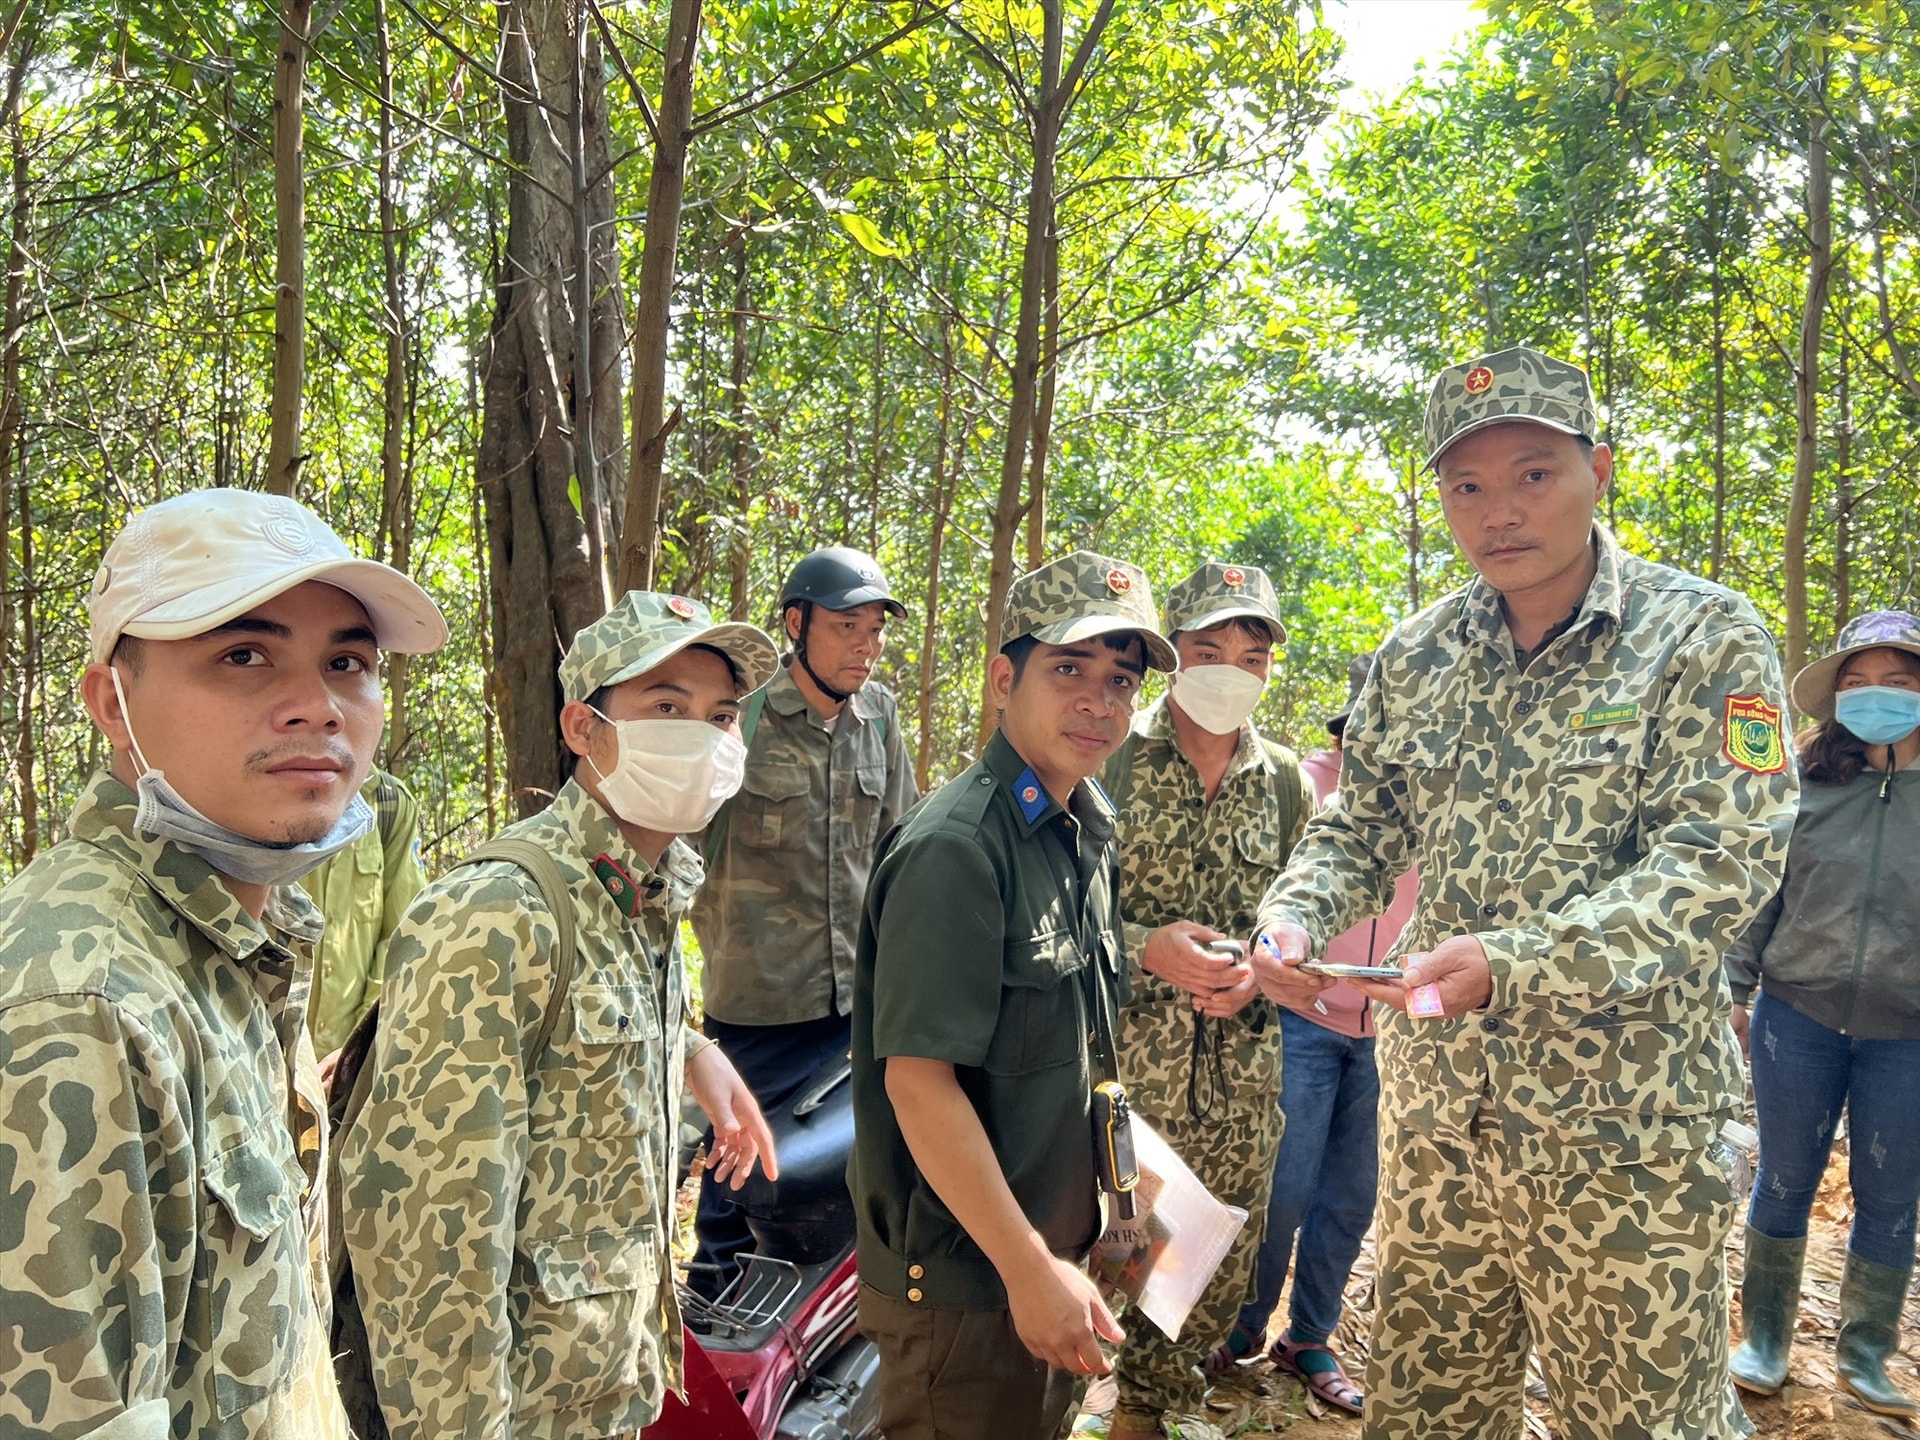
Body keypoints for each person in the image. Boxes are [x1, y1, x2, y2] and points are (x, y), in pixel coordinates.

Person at [1251, 345, 1798, 1440]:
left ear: (1600, 468)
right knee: (1426, 1414)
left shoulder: (1706, 634)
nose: (1499, 510)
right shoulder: (1415, 656)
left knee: (1642, 1421)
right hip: (1442, 1125)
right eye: (1467, 485)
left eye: (1534, 474)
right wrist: (1295, 909)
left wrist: (1518, 960)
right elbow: (1363, 823)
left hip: (1624, 1135)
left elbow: (1723, 855)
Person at [0, 487, 447, 1439]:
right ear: (110, 704)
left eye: (348, 663)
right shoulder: (82, 1007)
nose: (317, 707)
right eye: (243, 655)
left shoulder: (242, 948)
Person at [339, 591, 783, 1440]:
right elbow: (429, 1246)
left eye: (721, 715)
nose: (703, 736)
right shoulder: (500, 913)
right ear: (585, 730)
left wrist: (691, 1050)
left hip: (608, 1390)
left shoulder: (638, 897)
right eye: (665, 707)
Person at [849, 550, 1178, 1440]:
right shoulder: (958, 849)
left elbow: (1074, 1058)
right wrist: (1030, 1269)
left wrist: (1116, 1211)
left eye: (1121, 679)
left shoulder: (1082, 831)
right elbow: (918, 1087)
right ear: (1004, 679)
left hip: (1046, 1265)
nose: (1097, 701)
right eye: (1067, 669)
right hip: (969, 1284)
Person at [1098, 560, 1311, 1440]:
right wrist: (1144, 949)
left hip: (1241, 1086)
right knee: (1103, 1269)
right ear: (1171, 654)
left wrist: (1265, 968)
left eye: (1253, 655)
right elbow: (1038, 923)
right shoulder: (1108, 753)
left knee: (1204, 1276)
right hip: (1116, 1085)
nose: (1232, 669)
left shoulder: (1290, 782)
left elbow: (1305, 920)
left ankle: (1157, 1416)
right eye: (1209, 648)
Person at [689, 544, 918, 1300]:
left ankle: (810, 1326)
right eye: (848, 625)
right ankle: (717, 1325)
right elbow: (684, 848)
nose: (867, 645)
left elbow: (900, 845)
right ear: (796, 623)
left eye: (878, 629)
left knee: (834, 1169)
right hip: (757, 1002)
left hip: (854, 1002)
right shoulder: (742, 720)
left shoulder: (880, 718)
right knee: (736, 1181)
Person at [1725, 609, 1920, 1417]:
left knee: (1891, 1194)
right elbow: (1762, 893)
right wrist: (1734, 987)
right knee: (1784, 1178)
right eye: (1859, 683)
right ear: (1835, 697)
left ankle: (1866, 1352)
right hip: (1795, 1015)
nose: (1877, 698)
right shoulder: (1803, 785)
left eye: (1899, 683)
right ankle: (1765, 1339)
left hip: (1908, 1033)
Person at [1218, 651, 1416, 1414]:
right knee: (1283, 1187)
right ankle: (1240, 1327)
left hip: (1389, 1031)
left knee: (1351, 1195)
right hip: (1303, 1022)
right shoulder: (1310, 783)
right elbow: (1272, 894)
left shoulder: (1439, 799)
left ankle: (1311, 1336)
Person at [302, 764, 426, 1061]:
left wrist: (357, 1048)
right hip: (265, 1057)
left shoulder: (389, 803)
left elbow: (404, 937)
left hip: (349, 1064)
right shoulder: (257, 795)